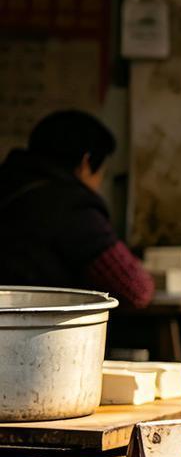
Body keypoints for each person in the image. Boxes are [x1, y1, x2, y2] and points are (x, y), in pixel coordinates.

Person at [0, 110, 154, 309]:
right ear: (85, 162)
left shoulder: (8, 184)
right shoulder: (73, 207)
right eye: (102, 173)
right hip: (40, 332)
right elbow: (135, 289)